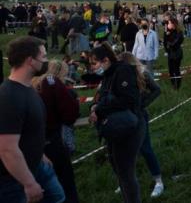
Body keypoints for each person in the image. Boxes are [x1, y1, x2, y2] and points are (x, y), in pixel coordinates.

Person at [0, 36, 65, 203]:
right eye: (43, 57)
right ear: (30, 60)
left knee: (58, 198)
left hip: (38, 166)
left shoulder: (27, 87)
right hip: (15, 179)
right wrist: (28, 183)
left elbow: (29, 130)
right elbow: (7, 149)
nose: (46, 61)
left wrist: (40, 155)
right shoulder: (9, 97)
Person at [89, 43, 145, 203]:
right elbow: (104, 96)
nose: (93, 68)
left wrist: (99, 109)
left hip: (130, 127)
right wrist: (95, 106)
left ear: (105, 60)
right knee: (118, 167)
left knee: (126, 171)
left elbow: (128, 99)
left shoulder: (123, 71)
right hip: (116, 126)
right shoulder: (109, 74)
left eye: (94, 63)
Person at [33, 60, 80, 203]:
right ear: (61, 72)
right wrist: (72, 96)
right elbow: (69, 114)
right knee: (65, 181)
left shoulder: (34, 84)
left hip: (34, 143)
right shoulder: (54, 85)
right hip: (54, 138)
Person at [119, 53, 165, 199]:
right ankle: (127, 181)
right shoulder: (119, 76)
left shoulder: (142, 73)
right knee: (126, 150)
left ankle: (158, 181)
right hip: (124, 116)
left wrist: (143, 103)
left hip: (139, 116)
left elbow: (157, 89)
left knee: (145, 148)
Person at [164, 18, 184, 90]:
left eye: (169, 23)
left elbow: (174, 44)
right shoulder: (169, 32)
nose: (168, 25)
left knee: (176, 70)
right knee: (170, 70)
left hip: (177, 54)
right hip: (170, 54)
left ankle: (178, 85)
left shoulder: (179, 32)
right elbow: (165, 42)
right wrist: (166, 35)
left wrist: (169, 41)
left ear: (173, 24)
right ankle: (173, 84)